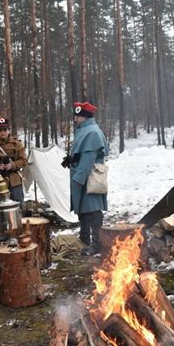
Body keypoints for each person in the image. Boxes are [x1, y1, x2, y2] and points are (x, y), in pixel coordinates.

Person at [63, 102, 108, 256]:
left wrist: (79, 178)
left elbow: (89, 158)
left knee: (94, 211)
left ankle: (97, 244)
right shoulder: (84, 130)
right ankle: (84, 239)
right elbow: (82, 154)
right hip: (83, 175)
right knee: (83, 209)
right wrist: (71, 159)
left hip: (89, 177)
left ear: (84, 116)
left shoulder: (92, 132)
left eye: (77, 115)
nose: (75, 118)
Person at [0, 117, 28, 204]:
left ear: (9, 130)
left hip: (15, 180)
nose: (3, 132)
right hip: (1, 181)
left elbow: (24, 161)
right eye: (0, 130)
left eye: (5, 129)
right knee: (2, 207)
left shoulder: (17, 144)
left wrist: (12, 165)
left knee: (18, 206)